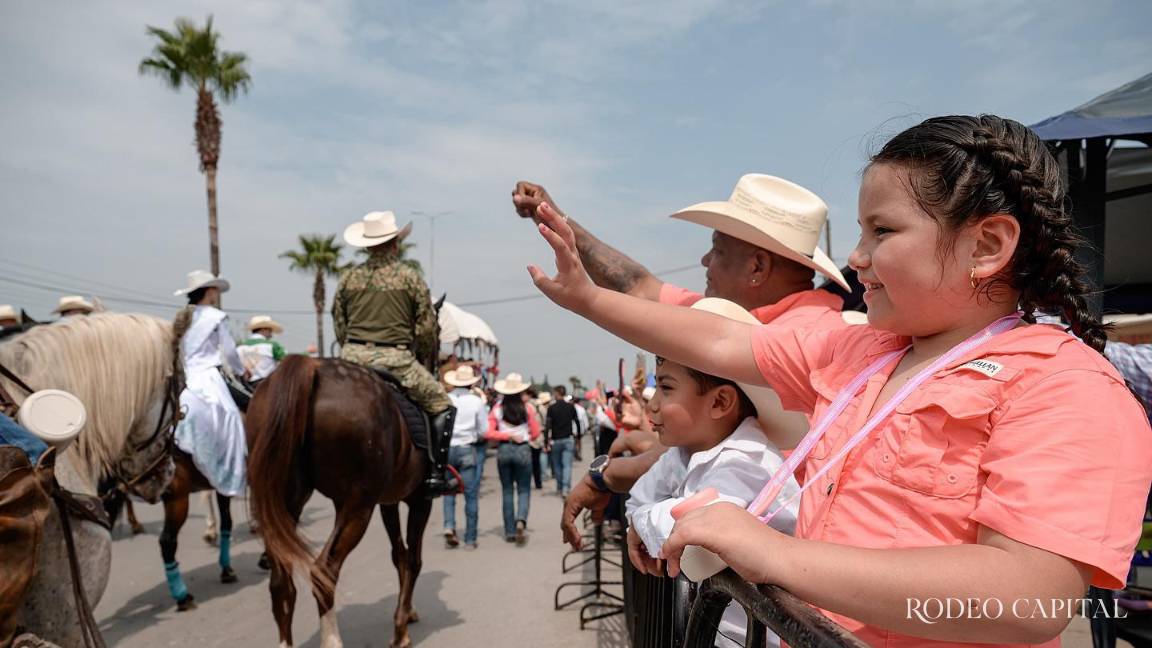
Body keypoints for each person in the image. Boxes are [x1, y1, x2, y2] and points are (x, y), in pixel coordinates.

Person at [527, 114, 1152, 645]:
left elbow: (1028, 600)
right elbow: (721, 338)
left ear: (987, 246)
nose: (855, 258)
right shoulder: (863, 351)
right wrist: (586, 299)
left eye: (882, 231)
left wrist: (777, 555)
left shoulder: (1066, 387)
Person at [520, 175, 855, 549]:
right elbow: (636, 286)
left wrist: (608, 476)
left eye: (717, 249)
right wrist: (551, 216)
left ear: (757, 266)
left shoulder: (817, 345)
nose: (705, 261)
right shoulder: (724, 318)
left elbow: (722, 448)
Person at [627, 298, 801, 648]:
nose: (652, 404)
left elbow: (697, 529)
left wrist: (642, 524)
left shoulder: (748, 463)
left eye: (667, 387)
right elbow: (639, 500)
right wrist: (646, 522)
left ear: (720, 402)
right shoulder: (685, 453)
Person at [333, 211, 457, 495]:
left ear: (366, 245)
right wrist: (422, 352)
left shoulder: (348, 278)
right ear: (395, 244)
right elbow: (427, 330)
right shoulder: (410, 278)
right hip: (397, 361)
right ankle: (437, 475)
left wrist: (352, 349)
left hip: (351, 359)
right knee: (443, 404)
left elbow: (339, 325)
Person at [171, 270, 247, 589]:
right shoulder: (216, 316)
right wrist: (243, 371)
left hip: (185, 381)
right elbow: (229, 354)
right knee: (234, 418)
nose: (217, 293)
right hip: (210, 380)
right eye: (214, 289)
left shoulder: (180, 319)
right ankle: (234, 467)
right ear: (209, 292)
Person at [486, 372, 540, 546]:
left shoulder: (497, 409)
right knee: (524, 489)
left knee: (507, 490)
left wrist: (506, 436)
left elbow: (488, 432)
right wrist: (524, 438)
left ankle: (509, 531)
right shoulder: (528, 408)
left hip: (504, 450)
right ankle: (521, 520)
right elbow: (536, 432)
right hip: (523, 449)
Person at [442, 365, 487, 549]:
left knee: (448, 492)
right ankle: (470, 538)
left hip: (448, 449)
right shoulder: (476, 402)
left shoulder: (446, 399)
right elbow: (483, 430)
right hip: (467, 448)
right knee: (470, 494)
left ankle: (449, 525)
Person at [544, 385, 581, 497]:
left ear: (556, 393)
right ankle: (566, 488)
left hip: (556, 440)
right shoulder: (570, 407)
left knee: (557, 465)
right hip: (568, 439)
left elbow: (548, 426)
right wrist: (578, 436)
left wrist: (546, 441)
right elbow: (577, 422)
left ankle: (560, 487)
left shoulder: (551, 408)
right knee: (567, 465)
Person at [239, 315, 286, 384]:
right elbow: (289, 360)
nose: (271, 333)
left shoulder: (240, 347)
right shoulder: (271, 346)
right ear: (263, 329)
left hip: (246, 386)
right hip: (267, 385)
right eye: (270, 330)